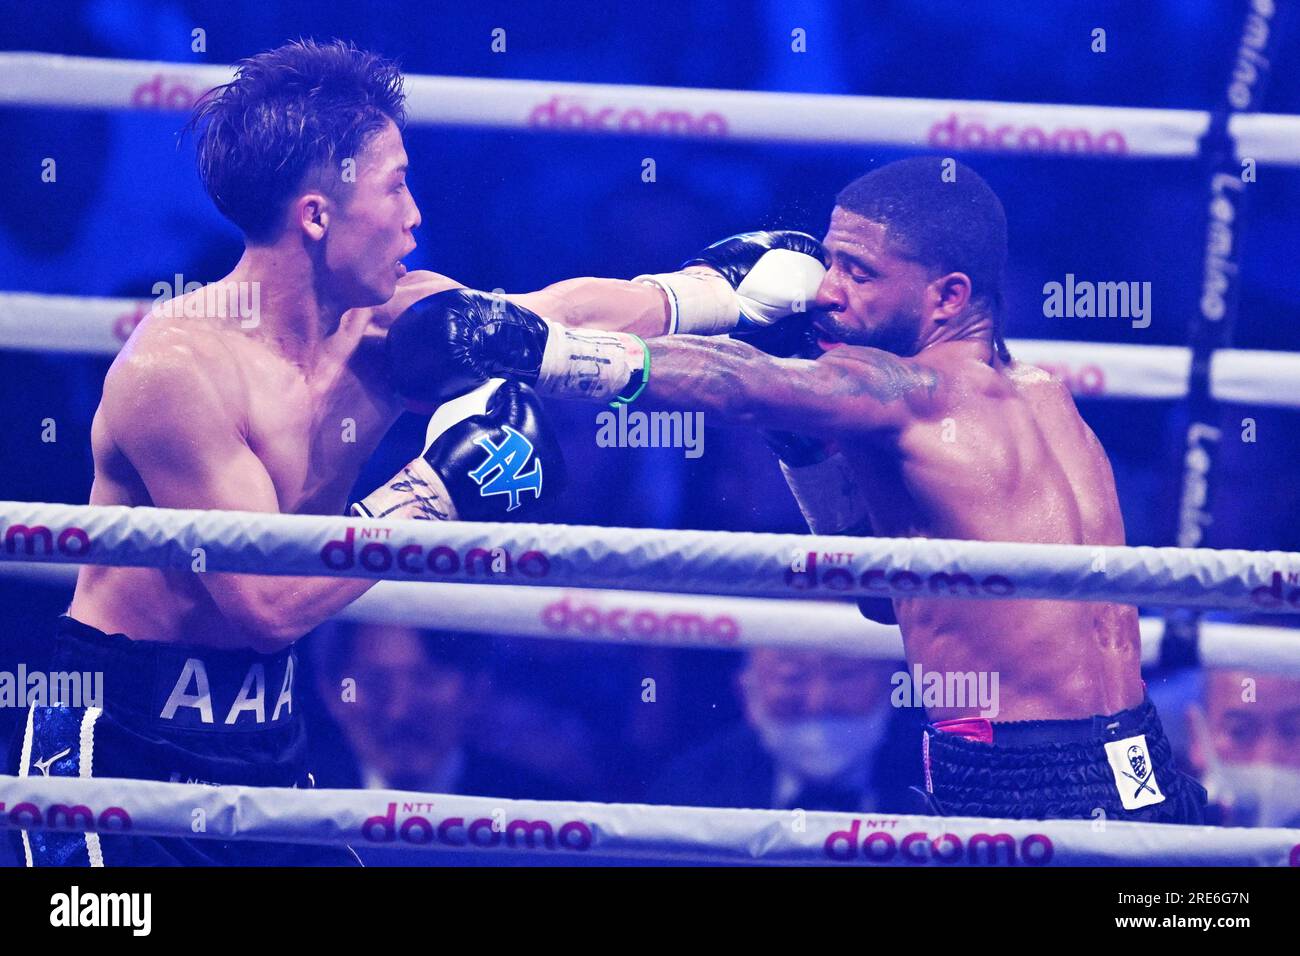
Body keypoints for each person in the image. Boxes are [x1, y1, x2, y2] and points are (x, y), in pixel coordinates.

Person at [6, 38, 696, 867]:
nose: (414, 215)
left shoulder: (387, 325)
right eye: (396, 184)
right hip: (122, 756)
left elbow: (560, 313)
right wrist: (435, 492)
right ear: (318, 214)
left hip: (268, 740)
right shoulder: (177, 372)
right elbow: (266, 607)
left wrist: (715, 296)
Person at [389, 156, 1208, 824]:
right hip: (1135, 765)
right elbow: (892, 597)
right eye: (830, 262)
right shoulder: (1038, 394)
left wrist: (537, 349)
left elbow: (741, 382)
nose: (825, 291)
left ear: (948, 298)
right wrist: (805, 451)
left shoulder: (907, 391)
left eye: (857, 272)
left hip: (1023, 782)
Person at [648, 648, 921, 813]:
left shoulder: (933, 781)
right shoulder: (692, 789)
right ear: (746, 691)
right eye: (792, 677)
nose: (818, 701)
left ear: (891, 680)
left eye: (844, 675)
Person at [1187, 668, 1300, 828]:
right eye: (1239, 731)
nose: (1265, 759)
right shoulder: (1159, 837)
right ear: (1196, 736)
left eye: (1292, 730)